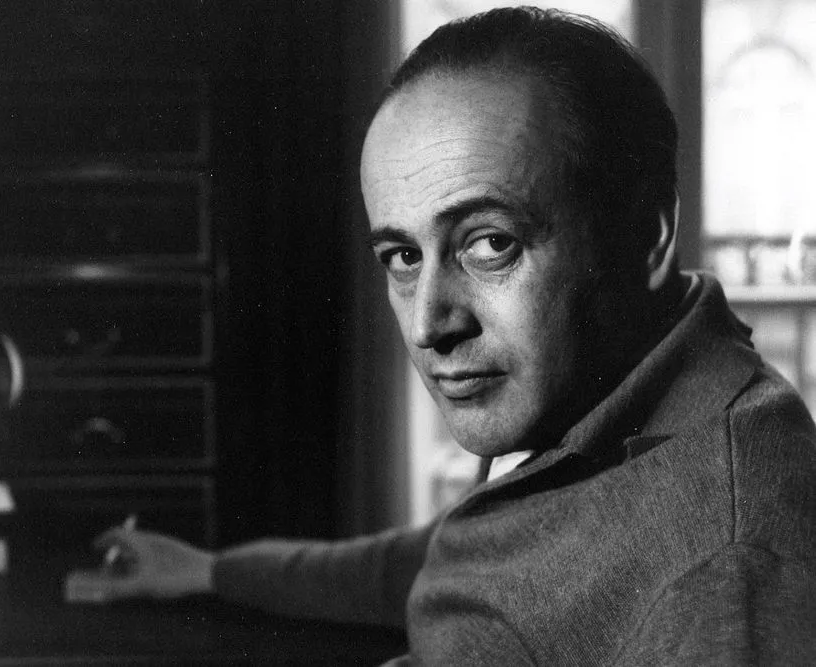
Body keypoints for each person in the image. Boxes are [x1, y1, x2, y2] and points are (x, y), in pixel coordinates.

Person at [92, 7, 816, 664]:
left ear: (646, 236)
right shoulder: (588, 395)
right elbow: (456, 554)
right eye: (403, 256)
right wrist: (213, 571)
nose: (428, 325)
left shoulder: (732, 571)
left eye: (490, 243)